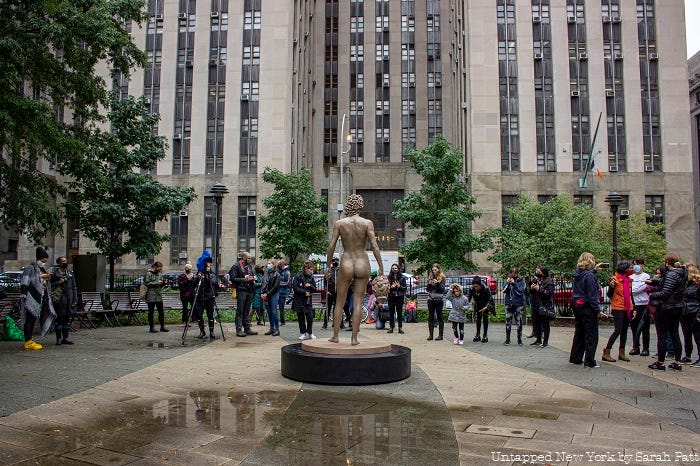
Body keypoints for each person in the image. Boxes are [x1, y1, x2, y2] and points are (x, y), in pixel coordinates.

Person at [327, 194, 383, 345]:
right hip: (362, 262)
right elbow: (375, 246)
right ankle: (354, 338)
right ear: (360, 206)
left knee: (339, 302)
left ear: (348, 206)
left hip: (346, 262)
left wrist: (327, 266)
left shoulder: (340, 223)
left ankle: (335, 336)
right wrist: (381, 266)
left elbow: (332, 246)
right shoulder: (367, 223)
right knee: (358, 301)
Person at [648, 253, 686, 371]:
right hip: (678, 306)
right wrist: (654, 281)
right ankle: (677, 361)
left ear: (667, 263)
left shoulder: (670, 274)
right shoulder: (682, 273)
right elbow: (668, 283)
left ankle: (660, 362)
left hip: (666, 307)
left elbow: (666, 292)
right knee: (675, 333)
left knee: (662, 335)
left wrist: (652, 294)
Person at [569, 252, 606, 368]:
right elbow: (592, 295)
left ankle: (575, 357)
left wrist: (594, 270)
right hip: (586, 306)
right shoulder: (589, 276)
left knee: (579, 332)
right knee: (591, 334)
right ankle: (589, 360)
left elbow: (585, 278)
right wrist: (597, 310)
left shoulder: (578, 274)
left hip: (577, 304)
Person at [19, 247, 55, 350]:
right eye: (43, 261)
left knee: (33, 319)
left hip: (40, 297)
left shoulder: (41, 269)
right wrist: (43, 277)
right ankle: (28, 340)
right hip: (31, 298)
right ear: (39, 259)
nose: (44, 263)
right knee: (30, 319)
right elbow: (26, 281)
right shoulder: (30, 268)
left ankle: (29, 339)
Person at [602, 261, 634, 363]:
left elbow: (630, 295)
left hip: (627, 307)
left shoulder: (628, 280)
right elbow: (609, 295)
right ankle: (607, 351)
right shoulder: (615, 279)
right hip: (618, 307)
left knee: (624, 330)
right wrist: (612, 287)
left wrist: (635, 308)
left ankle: (622, 352)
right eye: (629, 267)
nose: (631, 269)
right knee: (618, 330)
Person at [229, 252, 258, 337]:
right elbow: (232, 278)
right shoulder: (236, 266)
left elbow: (250, 275)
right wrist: (244, 279)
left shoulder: (249, 267)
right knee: (240, 310)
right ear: (243, 258)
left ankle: (247, 328)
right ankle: (239, 329)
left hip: (249, 290)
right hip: (241, 290)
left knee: (247, 310)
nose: (250, 259)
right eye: (248, 258)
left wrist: (253, 278)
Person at [49, 256, 78, 345]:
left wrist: (75, 299)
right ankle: (58, 338)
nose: (65, 263)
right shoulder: (54, 274)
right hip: (59, 299)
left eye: (65, 261)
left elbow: (74, 287)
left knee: (66, 319)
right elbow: (50, 285)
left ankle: (65, 338)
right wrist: (59, 282)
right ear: (59, 264)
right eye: (63, 261)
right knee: (59, 319)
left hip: (69, 298)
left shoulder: (70, 274)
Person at [629, 257, 651, 356]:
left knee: (645, 327)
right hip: (634, 304)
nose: (636, 266)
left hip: (644, 304)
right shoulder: (631, 276)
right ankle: (635, 346)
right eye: (634, 264)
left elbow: (640, 288)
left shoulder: (646, 276)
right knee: (634, 327)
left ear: (642, 265)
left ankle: (646, 348)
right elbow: (629, 289)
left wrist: (633, 290)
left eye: (637, 264)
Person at [193, 256, 218, 339]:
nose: (208, 264)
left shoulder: (212, 274)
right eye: (207, 263)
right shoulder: (199, 273)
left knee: (210, 315)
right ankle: (202, 331)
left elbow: (212, 282)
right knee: (199, 315)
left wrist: (207, 275)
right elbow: (194, 284)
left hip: (209, 297)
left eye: (209, 263)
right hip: (200, 297)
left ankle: (211, 331)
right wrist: (196, 278)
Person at [292, 260, 317, 340]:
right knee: (301, 317)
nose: (312, 271)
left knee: (310, 317)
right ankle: (302, 333)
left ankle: (310, 332)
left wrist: (310, 286)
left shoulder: (311, 277)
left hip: (308, 301)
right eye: (311, 269)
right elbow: (295, 287)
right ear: (306, 268)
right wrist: (304, 292)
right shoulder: (298, 276)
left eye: (312, 269)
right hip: (299, 300)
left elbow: (314, 289)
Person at [530, 265, 555, 347]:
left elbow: (549, 293)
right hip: (536, 303)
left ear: (544, 273)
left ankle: (545, 342)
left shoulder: (549, 281)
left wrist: (539, 289)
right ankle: (538, 339)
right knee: (536, 322)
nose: (537, 274)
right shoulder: (537, 280)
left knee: (545, 323)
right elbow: (529, 292)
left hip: (544, 305)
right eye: (537, 272)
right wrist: (532, 287)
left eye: (539, 272)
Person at [681, 263, 700, 366]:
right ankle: (688, 355)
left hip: (694, 312)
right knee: (686, 335)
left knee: (697, 336)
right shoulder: (684, 284)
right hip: (685, 312)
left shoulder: (697, 284)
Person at [502, 267, 526, 345]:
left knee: (518, 322)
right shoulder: (508, 280)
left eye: (514, 273)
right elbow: (504, 290)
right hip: (508, 303)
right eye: (511, 273)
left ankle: (519, 339)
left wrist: (514, 283)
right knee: (508, 322)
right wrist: (508, 283)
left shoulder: (521, 281)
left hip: (518, 304)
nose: (513, 275)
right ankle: (507, 339)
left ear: (517, 274)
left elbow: (520, 292)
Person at [144, 262, 167, 333]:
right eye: (159, 268)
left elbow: (160, 285)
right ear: (155, 267)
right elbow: (147, 283)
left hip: (158, 295)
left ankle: (162, 326)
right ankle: (152, 327)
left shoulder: (159, 274)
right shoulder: (149, 274)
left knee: (161, 312)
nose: (160, 270)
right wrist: (157, 283)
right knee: (151, 312)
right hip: (151, 295)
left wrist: (163, 283)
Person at [468, 276, 493, 343]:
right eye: (474, 286)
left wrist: (486, 307)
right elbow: (468, 298)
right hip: (478, 305)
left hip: (485, 305)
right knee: (478, 319)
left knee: (485, 319)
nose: (475, 288)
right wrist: (466, 306)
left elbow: (490, 299)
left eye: (476, 286)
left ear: (480, 285)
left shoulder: (486, 289)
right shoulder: (471, 289)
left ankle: (485, 335)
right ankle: (477, 335)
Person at [426, 263, 446, 341]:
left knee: (439, 316)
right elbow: (427, 289)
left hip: (439, 299)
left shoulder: (442, 277)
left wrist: (437, 283)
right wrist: (429, 284)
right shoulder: (430, 277)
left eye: (435, 269)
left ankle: (440, 335)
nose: (434, 271)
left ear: (438, 269)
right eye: (433, 270)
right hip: (430, 298)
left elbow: (442, 289)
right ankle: (431, 335)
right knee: (431, 316)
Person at [261, 260, 280, 336]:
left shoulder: (277, 274)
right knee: (269, 312)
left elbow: (275, 287)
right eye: (268, 263)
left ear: (273, 265)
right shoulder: (266, 274)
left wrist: (267, 293)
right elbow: (263, 284)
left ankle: (276, 329)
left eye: (270, 263)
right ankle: (272, 328)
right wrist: (262, 293)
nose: (268, 265)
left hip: (273, 294)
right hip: (266, 295)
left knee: (274, 312)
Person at [386, 263, 407, 334]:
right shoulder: (389, 277)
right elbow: (386, 288)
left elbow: (405, 288)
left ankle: (400, 327)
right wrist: (390, 287)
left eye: (395, 268)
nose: (394, 270)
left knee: (399, 312)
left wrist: (399, 286)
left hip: (399, 297)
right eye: (393, 268)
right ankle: (391, 327)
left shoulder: (402, 277)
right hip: (391, 296)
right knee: (391, 312)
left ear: (398, 269)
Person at [323, 256, 340, 329]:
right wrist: (326, 291)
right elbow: (325, 282)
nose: (335, 262)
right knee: (328, 308)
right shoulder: (328, 271)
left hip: (338, 293)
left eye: (336, 260)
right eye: (333, 260)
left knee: (338, 309)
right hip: (330, 292)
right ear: (332, 262)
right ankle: (325, 324)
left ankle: (338, 323)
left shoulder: (341, 271)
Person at [276, 259, 291, 326]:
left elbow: (287, 283)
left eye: (279, 265)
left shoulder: (287, 272)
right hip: (278, 291)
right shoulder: (279, 271)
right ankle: (278, 321)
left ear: (282, 265)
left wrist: (278, 284)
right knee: (277, 307)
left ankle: (283, 321)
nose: (278, 266)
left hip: (283, 292)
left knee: (281, 307)